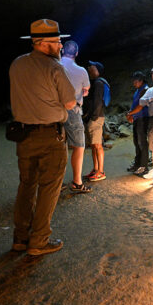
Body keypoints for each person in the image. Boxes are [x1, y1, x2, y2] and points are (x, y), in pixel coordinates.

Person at [9, 19, 76, 255]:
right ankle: (39, 241)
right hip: (50, 137)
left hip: (24, 136)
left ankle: (20, 238)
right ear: (44, 43)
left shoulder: (17, 64)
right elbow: (69, 102)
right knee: (49, 188)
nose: (60, 46)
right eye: (57, 42)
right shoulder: (55, 68)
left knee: (27, 185)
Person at [60, 40, 92, 194]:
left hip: (54, 110)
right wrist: (82, 92)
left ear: (62, 51)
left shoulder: (55, 66)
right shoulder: (81, 71)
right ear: (77, 53)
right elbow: (86, 89)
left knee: (58, 147)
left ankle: (56, 183)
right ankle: (77, 182)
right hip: (73, 109)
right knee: (79, 146)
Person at [82, 60, 109, 182]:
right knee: (94, 145)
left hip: (97, 118)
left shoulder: (98, 83)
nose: (89, 68)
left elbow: (98, 102)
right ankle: (96, 169)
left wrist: (93, 118)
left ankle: (101, 171)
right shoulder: (97, 82)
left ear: (98, 70)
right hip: (96, 117)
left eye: (92, 67)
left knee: (97, 145)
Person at [128, 71, 149, 176]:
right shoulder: (138, 90)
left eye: (135, 81)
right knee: (137, 142)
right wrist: (131, 114)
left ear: (141, 80)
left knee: (142, 142)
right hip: (137, 118)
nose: (133, 83)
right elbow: (135, 104)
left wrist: (130, 113)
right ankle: (137, 164)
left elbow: (140, 106)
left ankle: (144, 166)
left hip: (143, 118)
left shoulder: (145, 89)